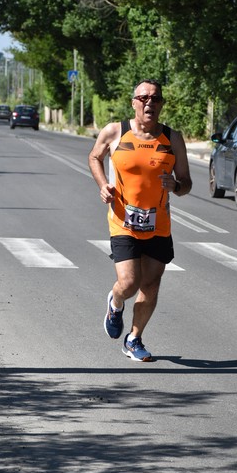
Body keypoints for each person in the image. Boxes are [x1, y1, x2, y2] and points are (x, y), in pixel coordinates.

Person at [88, 78, 192, 361]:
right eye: (144, 98)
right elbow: (95, 157)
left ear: (161, 104)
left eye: (155, 99)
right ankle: (116, 301)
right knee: (130, 282)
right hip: (123, 221)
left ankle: (134, 339)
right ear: (133, 102)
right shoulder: (115, 132)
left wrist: (176, 186)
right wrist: (102, 185)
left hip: (158, 225)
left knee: (151, 284)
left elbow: (186, 183)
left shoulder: (172, 139)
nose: (150, 103)